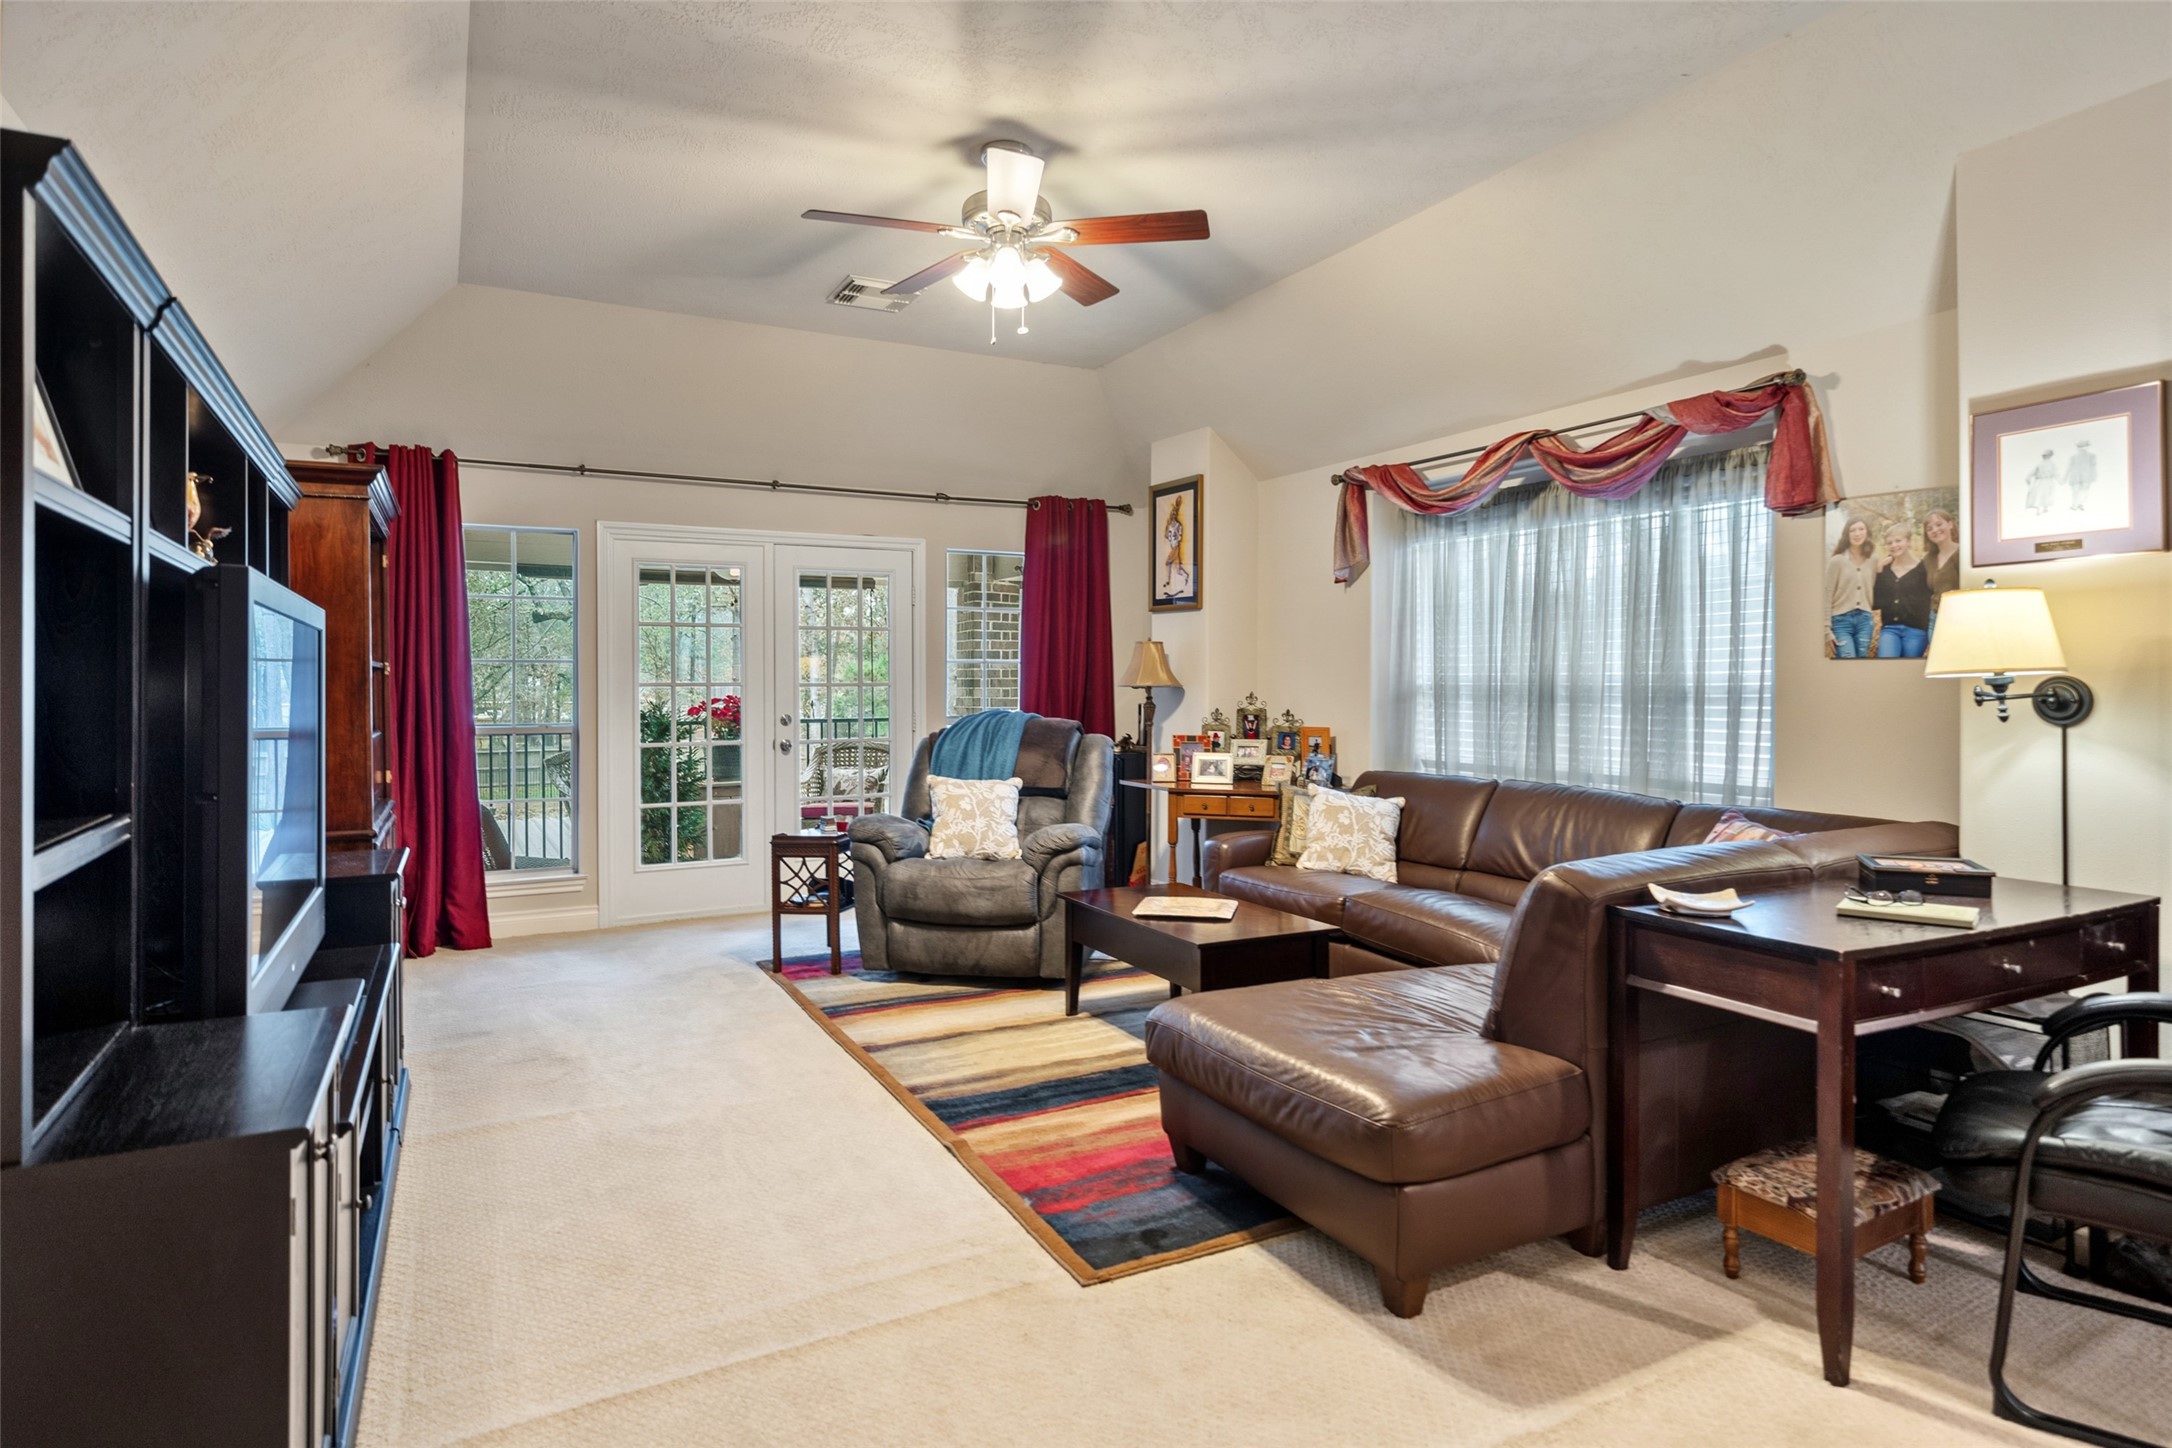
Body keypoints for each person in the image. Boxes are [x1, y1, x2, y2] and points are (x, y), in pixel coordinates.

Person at [1872, 522, 1932, 658]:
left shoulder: (1923, 569)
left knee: (1908, 668)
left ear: (1909, 541)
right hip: (1890, 629)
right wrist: (1877, 571)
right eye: (1889, 543)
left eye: (1898, 541)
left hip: (1916, 630)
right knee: (1886, 665)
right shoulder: (1884, 570)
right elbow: (1875, 602)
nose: (1894, 545)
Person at [1824, 515, 1878, 658]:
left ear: (1867, 532)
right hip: (1841, 621)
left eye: (1861, 529)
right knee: (1847, 661)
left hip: (1865, 621)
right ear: (1846, 535)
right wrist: (1827, 630)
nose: (1857, 533)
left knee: (1861, 665)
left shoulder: (1873, 560)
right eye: (1852, 530)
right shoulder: (1837, 561)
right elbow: (1827, 594)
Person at [1922, 508, 1960, 640]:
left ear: (1950, 524)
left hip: (1960, 617)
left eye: (1939, 524)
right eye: (1929, 528)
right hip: (1935, 617)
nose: (1935, 530)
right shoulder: (1928, 559)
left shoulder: (1965, 552)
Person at [1160, 496, 1191, 598]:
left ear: (1176, 515)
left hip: (1176, 547)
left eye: (1174, 514)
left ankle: (1168, 581)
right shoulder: (1169, 525)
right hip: (1172, 546)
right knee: (1178, 569)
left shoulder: (1178, 525)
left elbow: (1180, 537)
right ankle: (1186, 576)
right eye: (1172, 514)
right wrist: (1167, 527)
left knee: (1167, 563)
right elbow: (1166, 536)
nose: (1173, 515)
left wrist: (1176, 535)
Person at [2024, 448, 2060, 516]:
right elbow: (2056, 474)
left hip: (2043, 482)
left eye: (2045, 455)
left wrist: (2028, 480)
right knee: (2042, 495)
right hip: (2044, 482)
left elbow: (2030, 474)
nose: (2044, 456)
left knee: (2043, 495)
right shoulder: (2049, 463)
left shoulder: (2043, 463)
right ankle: (2041, 510)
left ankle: (2043, 509)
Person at [2065, 438, 2098, 512]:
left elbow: (2093, 467)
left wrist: (2094, 476)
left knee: (2082, 492)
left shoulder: (2091, 456)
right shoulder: (2073, 457)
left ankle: (2077, 505)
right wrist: (2094, 477)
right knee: (2080, 492)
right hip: (2078, 477)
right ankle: (2076, 505)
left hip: (2083, 477)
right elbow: (2069, 468)